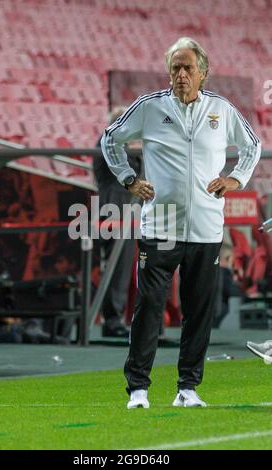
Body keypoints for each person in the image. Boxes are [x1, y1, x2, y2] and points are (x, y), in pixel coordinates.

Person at [101, 36, 261, 408]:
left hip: (205, 230)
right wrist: (128, 178)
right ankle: (138, 389)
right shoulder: (148, 107)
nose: (181, 74)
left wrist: (235, 179)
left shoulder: (222, 111)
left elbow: (252, 146)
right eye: (176, 67)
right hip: (160, 227)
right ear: (168, 72)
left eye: (189, 68)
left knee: (198, 310)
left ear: (203, 73)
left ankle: (188, 388)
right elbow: (111, 139)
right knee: (150, 306)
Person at [94, 107, 142, 337]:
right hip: (115, 213)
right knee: (117, 269)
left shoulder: (126, 147)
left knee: (131, 270)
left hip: (132, 214)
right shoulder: (107, 142)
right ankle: (112, 321)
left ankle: (125, 319)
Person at [213, 243, 243, 328]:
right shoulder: (224, 272)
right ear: (228, 258)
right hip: (219, 314)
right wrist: (247, 296)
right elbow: (231, 291)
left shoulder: (208, 271)